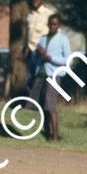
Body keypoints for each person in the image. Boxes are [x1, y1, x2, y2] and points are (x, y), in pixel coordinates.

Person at [33, 13, 70, 141]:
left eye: (55, 24)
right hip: (41, 74)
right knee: (42, 105)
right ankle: (47, 133)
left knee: (50, 106)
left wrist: (51, 58)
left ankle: (55, 135)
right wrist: (37, 52)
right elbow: (35, 58)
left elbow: (67, 60)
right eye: (50, 24)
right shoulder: (42, 38)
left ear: (59, 25)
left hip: (54, 75)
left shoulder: (63, 40)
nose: (52, 26)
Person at [24, 0, 56, 92]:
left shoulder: (48, 14)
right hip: (31, 50)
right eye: (33, 0)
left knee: (40, 78)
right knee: (29, 78)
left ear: (41, 0)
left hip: (41, 51)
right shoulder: (30, 15)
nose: (35, 2)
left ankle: (39, 102)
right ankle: (30, 103)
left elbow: (55, 32)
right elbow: (28, 34)